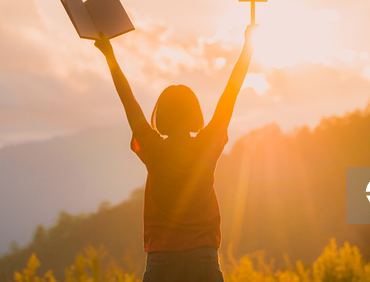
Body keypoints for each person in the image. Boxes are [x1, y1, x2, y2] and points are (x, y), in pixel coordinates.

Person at [94, 24, 257, 282]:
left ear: (162, 116)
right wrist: (248, 47)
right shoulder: (207, 145)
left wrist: (110, 55)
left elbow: (128, 100)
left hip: (162, 261)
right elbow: (231, 93)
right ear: (195, 114)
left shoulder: (152, 147)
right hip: (204, 258)